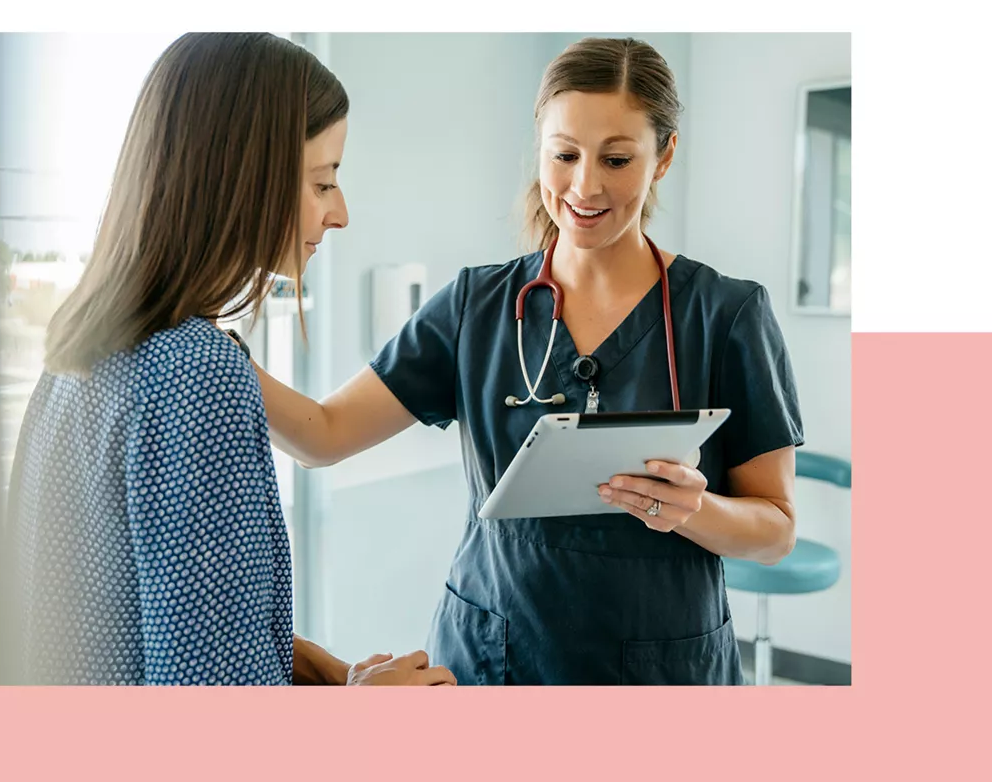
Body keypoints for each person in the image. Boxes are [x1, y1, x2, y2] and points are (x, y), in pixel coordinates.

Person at [249, 36, 804, 685]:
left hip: (664, 667)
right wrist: (212, 346)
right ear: (539, 144)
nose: (584, 185)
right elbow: (323, 434)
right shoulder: (475, 306)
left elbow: (776, 529)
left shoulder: (727, 314)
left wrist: (695, 511)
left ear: (664, 157)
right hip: (493, 658)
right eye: (564, 154)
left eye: (617, 158)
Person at [5, 32, 455, 687]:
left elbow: (147, 617)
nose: (340, 212)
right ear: (243, 176)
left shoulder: (77, 351)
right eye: (323, 181)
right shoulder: (197, 373)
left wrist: (313, 668)